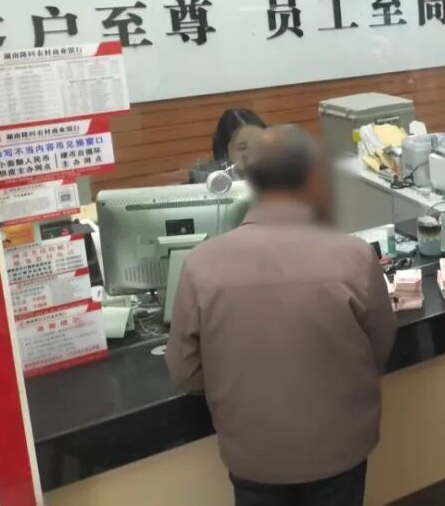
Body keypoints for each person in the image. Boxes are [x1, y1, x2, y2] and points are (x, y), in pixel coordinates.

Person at [166, 125, 396, 506]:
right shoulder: (354, 256)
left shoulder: (201, 264)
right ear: (313, 176)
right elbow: (380, 346)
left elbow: (184, 372)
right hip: (339, 450)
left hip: (254, 457)